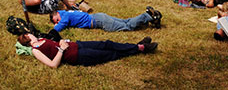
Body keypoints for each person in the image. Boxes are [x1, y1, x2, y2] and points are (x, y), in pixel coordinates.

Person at [17, 33, 157, 67]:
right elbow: (53, 64)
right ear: (28, 39)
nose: (31, 32)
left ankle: (136, 46)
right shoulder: (35, 50)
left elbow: (54, 44)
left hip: (76, 45)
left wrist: (61, 41)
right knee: (108, 54)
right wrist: (61, 50)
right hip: (76, 55)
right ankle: (141, 48)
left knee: (106, 43)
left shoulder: (40, 39)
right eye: (28, 33)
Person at [50, 6, 162, 32]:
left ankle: (148, 16)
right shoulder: (65, 12)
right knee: (125, 21)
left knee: (127, 26)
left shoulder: (64, 16)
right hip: (98, 16)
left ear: (56, 14)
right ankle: (148, 16)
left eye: (56, 19)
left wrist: (55, 27)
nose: (58, 22)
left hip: (99, 21)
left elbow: (58, 29)